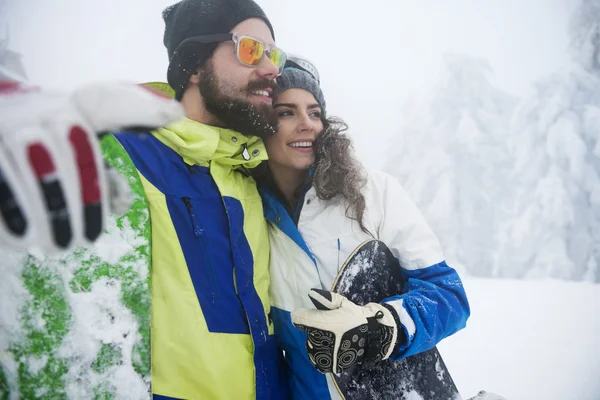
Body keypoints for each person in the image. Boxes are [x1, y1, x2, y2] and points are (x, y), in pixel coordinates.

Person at [0, 0, 290, 399]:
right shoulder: (121, 153)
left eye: (274, 54)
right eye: (251, 49)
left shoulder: (255, 175)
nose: (272, 68)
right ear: (194, 64)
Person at [256, 64, 471, 398]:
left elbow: (449, 296)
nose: (307, 124)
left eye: (315, 112)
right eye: (286, 112)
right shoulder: (246, 211)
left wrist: (380, 328)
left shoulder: (371, 191)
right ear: (260, 124)